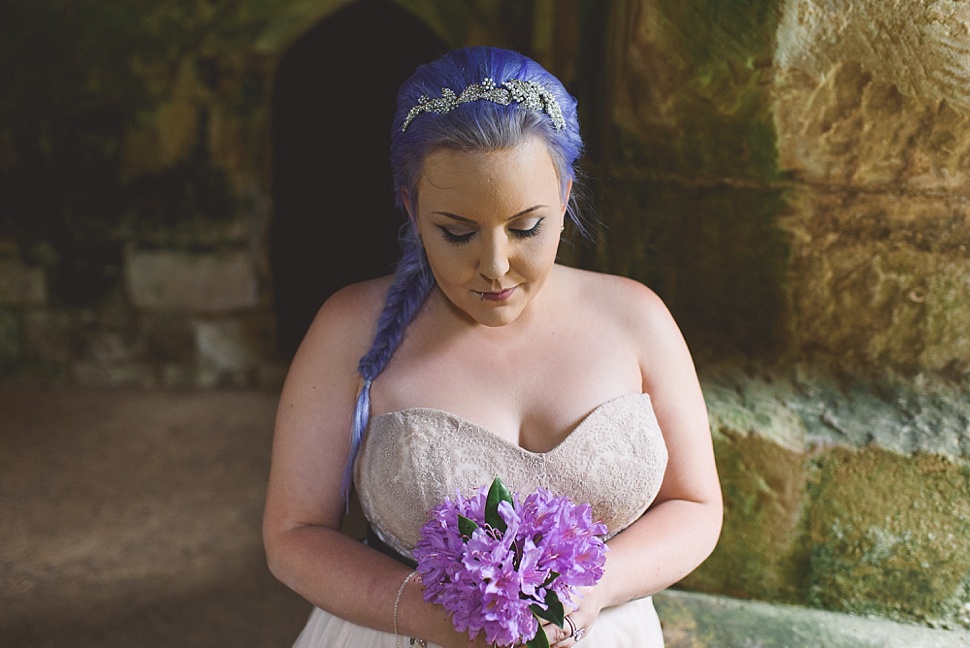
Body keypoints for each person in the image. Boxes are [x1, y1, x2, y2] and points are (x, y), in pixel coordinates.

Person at [263, 46, 722, 648]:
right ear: (411, 206)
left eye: (527, 227)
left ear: (564, 194)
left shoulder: (638, 318)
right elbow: (293, 535)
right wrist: (433, 619)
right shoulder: (348, 327)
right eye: (456, 233)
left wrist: (601, 587)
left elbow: (695, 505)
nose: (496, 266)